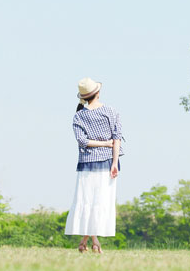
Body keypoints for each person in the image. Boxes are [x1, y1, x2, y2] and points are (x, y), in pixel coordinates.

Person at [64, 77, 124, 254]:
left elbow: (82, 141)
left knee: (86, 200)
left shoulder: (79, 115)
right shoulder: (111, 111)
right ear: (98, 92)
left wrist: (104, 145)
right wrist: (114, 161)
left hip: (86, 163)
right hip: (106, 162)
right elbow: (117, 138)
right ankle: (93, 240)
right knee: (101, 201)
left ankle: (87, 240)